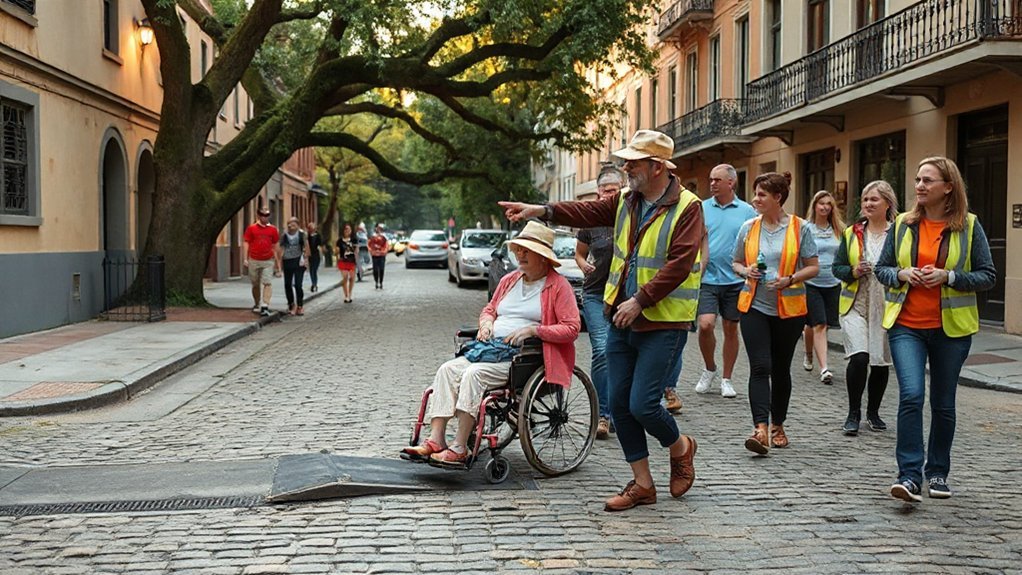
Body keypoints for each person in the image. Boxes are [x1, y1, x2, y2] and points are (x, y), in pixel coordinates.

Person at [499, 130, 701, 512]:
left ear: (656, 167)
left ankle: (681, 446)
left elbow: (680, 263)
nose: (625, 167)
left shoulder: (688, 207)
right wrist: (540, 210)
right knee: (620, 404)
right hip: (620, 315)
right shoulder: (627, 199)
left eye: (633, 162)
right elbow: (586, 213)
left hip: (662, 321)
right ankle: (642, 484)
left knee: (643, 404)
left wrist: (640, 301)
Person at [401, 221, 580, 465]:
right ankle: (436, 439)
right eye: (518, 249)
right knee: (447, 370)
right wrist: (486, 323)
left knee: (473, 374)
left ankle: (460, 446)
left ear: (543, 256)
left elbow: (571, 328)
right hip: (491, 349)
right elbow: (490, 309)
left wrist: (533, 330)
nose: (520, 254)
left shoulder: (558, 286)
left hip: (523, 357)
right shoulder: (510, 280)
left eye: (526, 250)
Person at [875, 157, 995, 503]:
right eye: (917, 179)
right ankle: (909, 477)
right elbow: (882, 269)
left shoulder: (969, 226)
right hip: (906, 325)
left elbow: (988, 276)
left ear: (948, 187)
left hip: (951, 330)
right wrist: (901, 274)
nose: (919, 186)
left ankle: (938, 471)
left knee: (943, 404)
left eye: (928, 180)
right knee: (911, 396)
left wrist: (950, 277)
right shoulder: (901, 224)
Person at [732, 172, 819, 455]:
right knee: (760, 367)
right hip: (754, 306)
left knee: (781, 368)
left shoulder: (800, 227)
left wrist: (790, 279)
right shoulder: (748, 227)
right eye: (755, 194)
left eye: (761, 195)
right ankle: (760, 428)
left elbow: (813, 266)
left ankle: (777, 425)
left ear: (777, 198)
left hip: (789, 310)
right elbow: (735, 262)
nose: (755, 199)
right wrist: (746, 271)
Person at [832, 181, 898, 436]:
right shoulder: (853, 233)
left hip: (885, 305)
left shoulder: (898, 233)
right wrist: (853, 271)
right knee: (859, 357)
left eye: (874, 200)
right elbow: (837, 267)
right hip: (855, 304)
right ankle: (853, 412)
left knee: (880, 362)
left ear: (887, 204)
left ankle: (873, 411)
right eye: (865, 199)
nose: (868, 204)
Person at [692, 164, 756, 398]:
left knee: (731, 328)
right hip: (707, 278)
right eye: (711, 179)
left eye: (717, 180)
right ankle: (710, 368)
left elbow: (754, 243)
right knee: (706, 324)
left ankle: (727, 379)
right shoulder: (701, 208)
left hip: (736, 281)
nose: (712, 184)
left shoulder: (747, 211)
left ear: (731, 183)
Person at [575, 166, 622, 439]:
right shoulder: (590, 221)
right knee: (602, 350)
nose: (607, 195)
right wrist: (584, 266)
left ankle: (620, 411)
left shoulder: (631, 217)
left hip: (624, 296)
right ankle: (603, 414)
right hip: (594, 294)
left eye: (613, 190)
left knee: (621, 352)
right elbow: (579, 254)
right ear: (598, 192)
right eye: (604, 190)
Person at [802, 190, 845, 384]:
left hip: (833, 282)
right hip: (811, 283)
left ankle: (810, 353)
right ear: (815, 206)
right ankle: (824, 368)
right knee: (820, 324)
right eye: (821, 203)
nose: (825, 207)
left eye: (829, 204)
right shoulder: (806, 228)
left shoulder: (839, 229)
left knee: (819, 325)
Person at [243, 207, 281, 317]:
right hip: (254, 259)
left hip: (268, 260)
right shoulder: (252, 228)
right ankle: (257, 302)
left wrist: (278, 264)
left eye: (267, 215)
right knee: (255, 283)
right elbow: (246, 242)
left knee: (267, 282)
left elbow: (275, 245)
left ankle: (265, 305)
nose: (265, 217)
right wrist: (245, 258)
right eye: (262, 215)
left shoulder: (273, 229)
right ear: (258, 216)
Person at [279, 217, 311, 316]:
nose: (291, 226)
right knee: (287, 284)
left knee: (298, 285)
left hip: (298, 261)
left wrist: (306, 259)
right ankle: (291, 304)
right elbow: (281, 249)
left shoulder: (302, 234)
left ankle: (300, 306)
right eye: (289, 224)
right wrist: (279, 265)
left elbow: (306, 247)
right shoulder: (284, 235)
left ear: (297, 225)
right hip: (287, 260)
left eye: (293, 224)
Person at [335, 223, 358, 303]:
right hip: (343, 261)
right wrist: (337, 260)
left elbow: (356, 250)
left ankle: (350, 293)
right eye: (346, 229)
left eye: (349, 229)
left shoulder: (354, 239)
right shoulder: (339, 241)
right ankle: (346, 295)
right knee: (345, 278)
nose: (347, 231)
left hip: (352, 261)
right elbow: (336, 252)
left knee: (352, 278)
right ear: (343, 231)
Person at [368, 224, 390, 290]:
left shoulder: (384, 237)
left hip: (382, 255)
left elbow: (387, 245)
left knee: (381, 269)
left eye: (380, 229)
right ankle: (376, 281)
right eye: (378, 228)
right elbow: (368, 244)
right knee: (375, 270)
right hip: (375, 255)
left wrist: (385, 251)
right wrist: (371, 251)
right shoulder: (372, 237)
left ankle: (381, 282)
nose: (379, 230)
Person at [306, 222, 323, 293]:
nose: (311, 229)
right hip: (310, 255)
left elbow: (320, 244)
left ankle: (314, 283)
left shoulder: (318, 235)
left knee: (314, 270)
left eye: (312, 228)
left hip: (316, 255)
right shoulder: (307, 236)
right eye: (310, 228)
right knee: (311, 270)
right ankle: (313, 284)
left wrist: (321, 252)